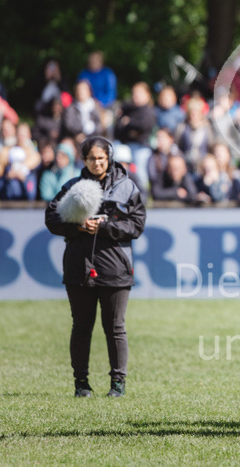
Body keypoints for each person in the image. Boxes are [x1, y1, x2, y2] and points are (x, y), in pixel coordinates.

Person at [44, 136, 146, 398]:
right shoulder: (72, 187)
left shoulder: (127, 187)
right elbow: (51, 219)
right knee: (81, 327)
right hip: (79, 267)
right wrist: (79, 226)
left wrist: (105, 227)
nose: (97, 163)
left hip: (116, 268)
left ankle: (118, 384)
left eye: (101, 158)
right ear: (84, 159)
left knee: (115, 327)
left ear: (109, 158)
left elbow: (137, 225)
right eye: (91, 158)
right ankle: (81, 384)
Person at [115, 82, 157, 191]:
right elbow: (119, 126)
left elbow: (143, 125)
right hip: (127, 145)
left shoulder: (149, 110)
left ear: (147, 95)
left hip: (141, 147)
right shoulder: (128, 109)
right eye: (134, 93)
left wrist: (129, 122)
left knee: (140, 173)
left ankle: (143, 193)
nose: (136, 96)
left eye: (139, 93)